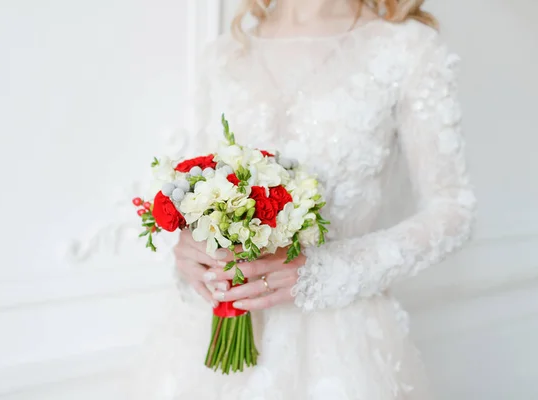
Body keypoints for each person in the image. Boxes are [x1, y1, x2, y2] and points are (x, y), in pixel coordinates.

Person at [134, 0, 476, 398]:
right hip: (209, 335)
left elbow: (454, 210)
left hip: (339, 343)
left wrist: (323, 272)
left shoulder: (407, 47)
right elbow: (198, 183)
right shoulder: (225, 54)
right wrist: (191, 252)